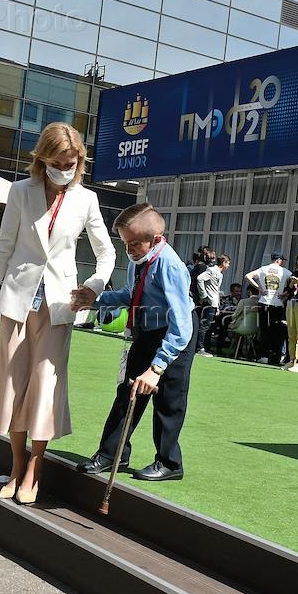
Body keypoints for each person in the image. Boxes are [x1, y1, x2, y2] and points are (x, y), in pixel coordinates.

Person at [0, 121, 115, 504]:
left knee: (45, 385)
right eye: (58, 163)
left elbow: (106, 253)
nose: (65, 170)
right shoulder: (20, 191)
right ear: (43, 159)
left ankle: (35, 468)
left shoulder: (87, 200)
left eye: (72, 164)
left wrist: (93, 286)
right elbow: (4, 245)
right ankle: (16, 466)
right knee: (13, 385)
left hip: (60, 304)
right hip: (16, 301)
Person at [72, 203, 195, 482]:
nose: (129, 250)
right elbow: (131, 294)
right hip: (147, 329)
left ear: (156, 239)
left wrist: (157, 367)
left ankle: (169, 462)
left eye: (135, 244)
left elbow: (182, 324)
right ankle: (112, 454)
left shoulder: (170, 266)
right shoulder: (140, 260)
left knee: (168, 399)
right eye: (125, 243)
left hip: (175, 333)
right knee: (128, 392)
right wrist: (95, 299)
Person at [245, 252, 291, 365]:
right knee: (277, 332)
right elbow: (294, 283)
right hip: (278, 303)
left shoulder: (263, 269)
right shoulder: (285, 271)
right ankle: (276, 356)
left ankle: (264, 355)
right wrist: (285, 293)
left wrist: (259, 288)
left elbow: (247, 276)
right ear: (279, 260)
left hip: (264, 302)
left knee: (264, 330)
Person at [193, 247, 222, 357]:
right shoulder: (204, 268)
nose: (213, 261)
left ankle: (199, 346)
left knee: (201, 324)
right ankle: (200, 347)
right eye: (212, 258)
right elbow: (199, 280)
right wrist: (203, 295)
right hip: (201, 300)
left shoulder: (199, 267)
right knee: (203, 325)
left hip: (199, 299)